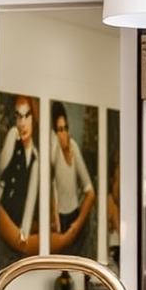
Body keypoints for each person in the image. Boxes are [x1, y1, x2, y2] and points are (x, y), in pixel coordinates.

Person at [49, 101, 94, 254]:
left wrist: (77, 224)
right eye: (60, 130)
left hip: (75, 216)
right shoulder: (54, 151)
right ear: (55, 133)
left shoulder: (73, 146)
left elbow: (90, 191)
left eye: (66, 128)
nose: (65, 134)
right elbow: (50, 186)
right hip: (61, 219)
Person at [0, 95, 39, 262]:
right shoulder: (12, 137)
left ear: (33, 119)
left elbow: (29, 205)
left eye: (26, 116)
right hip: (0, 227)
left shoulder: (36, 160)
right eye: (18, 116)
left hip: (15, 237)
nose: (22, 123)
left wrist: (23, 237)